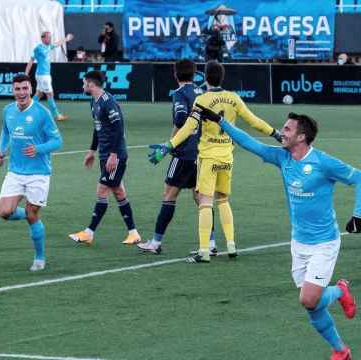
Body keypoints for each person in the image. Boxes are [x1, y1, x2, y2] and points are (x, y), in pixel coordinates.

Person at [199, 109, 361, 360]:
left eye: (288, 129)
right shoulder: (283, 158)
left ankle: (340, 291)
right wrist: (221, 122)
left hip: (324, 242)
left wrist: (357, 215)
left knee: (308, 299)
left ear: (301, 137)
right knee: (312, 307)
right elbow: (251, 144)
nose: (282, 132)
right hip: (298, 242)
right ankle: (340, 350)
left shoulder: (323, 163)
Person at [147, 61, 282, 263]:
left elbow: (188, 128)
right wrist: (275, 133)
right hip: (227, 157)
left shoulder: (202, 100)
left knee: (205, 202)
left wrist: (169, 144)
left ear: (205, 77)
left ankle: (203, 251)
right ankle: (231, 245)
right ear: (222, 76)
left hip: (208, 157)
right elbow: (254, 121)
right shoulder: (233, 98)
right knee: (223, 200)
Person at [137, 60, 211, 255]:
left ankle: (155, 242)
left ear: (175, 74)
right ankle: (210, 243)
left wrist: (168, 145)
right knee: (200, 197)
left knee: (169, 195)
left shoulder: (179, 94)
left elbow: (180, 119)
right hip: (201, 152)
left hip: (183, 153)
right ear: (195, 74)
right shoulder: (201, 93)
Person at [0, 74, 63, 271]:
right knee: (4, 212)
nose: (21, 93)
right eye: (17, 89)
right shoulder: (7, 110)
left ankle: (39, 258)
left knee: (33, 215)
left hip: (38, 173)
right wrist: (1, 151)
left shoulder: (42, 113)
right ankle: (27, 214)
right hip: (15, 171)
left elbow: (57, 141)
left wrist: (39, 149)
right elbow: (6, 132)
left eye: (25, 88)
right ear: (12, 90)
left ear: (31, 89)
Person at [68, 71, 141, 246]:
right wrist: (92, 151)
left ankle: (89, 232)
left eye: (84, 83)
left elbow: (119, 128)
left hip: (114, 156)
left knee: (102, 190)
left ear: (91, 84)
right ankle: (133, 233)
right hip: (104, 155)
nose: (83, 86)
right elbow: (97, 127)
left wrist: (114, 155)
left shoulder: (109, 103)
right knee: (118, 192)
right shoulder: (94, 102)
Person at [25, 31, 74, 122]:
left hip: (45, 75)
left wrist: (66, 39)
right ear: (43, 38)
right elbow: (31, 60)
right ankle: (57, 115)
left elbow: (57, 44)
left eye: (50, 37)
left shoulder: (48, 46)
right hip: (42, 75)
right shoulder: (38, 48)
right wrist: (26, 73)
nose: (50, 39)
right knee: (50, 94)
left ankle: (28, 110)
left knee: (39, 94)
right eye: (48, 37)